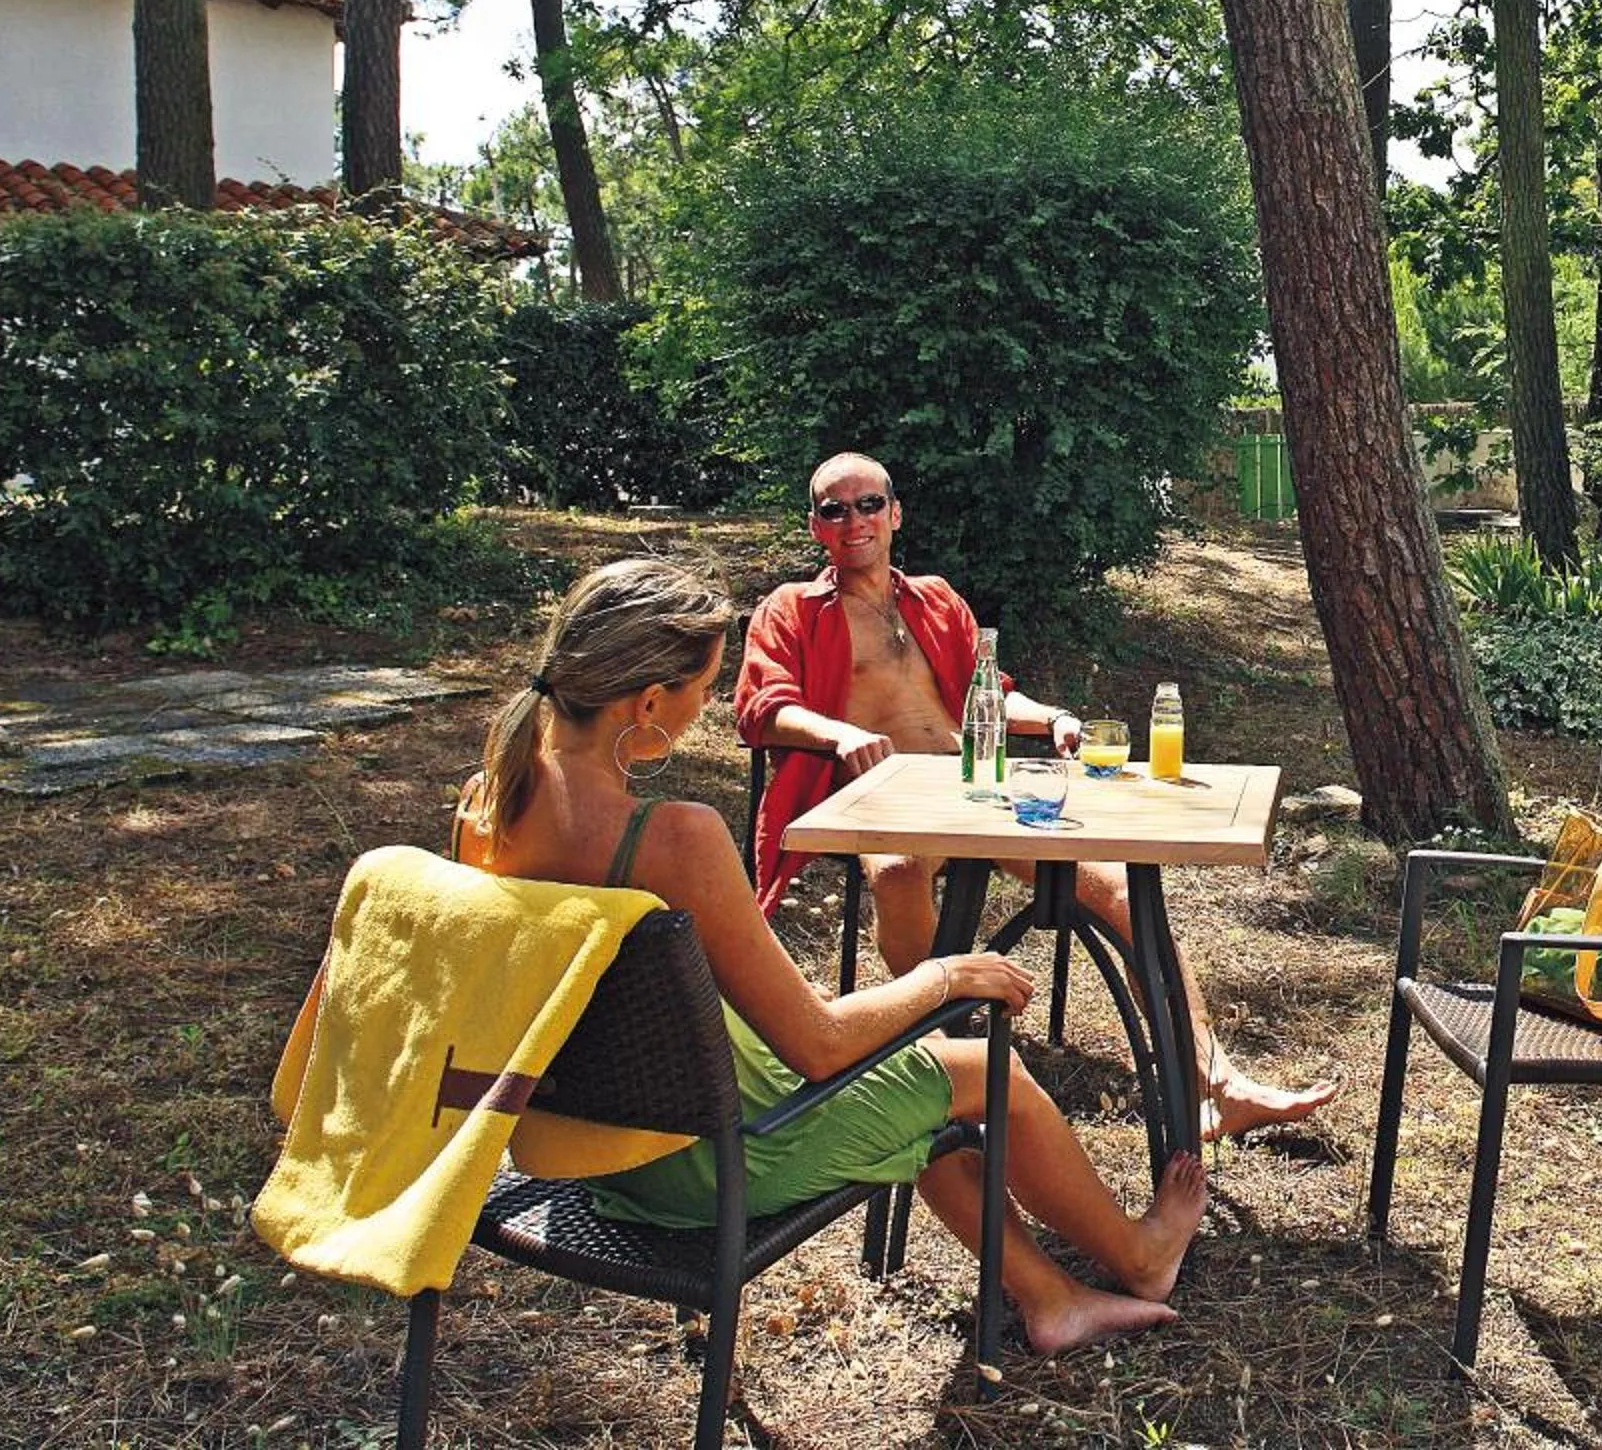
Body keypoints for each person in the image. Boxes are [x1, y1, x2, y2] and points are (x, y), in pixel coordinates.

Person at [453, 557, 1204, 1355]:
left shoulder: (485, 806)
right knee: (988, 1069)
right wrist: (944, 974)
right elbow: (817, 1048)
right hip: (713, 1156)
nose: (708, 707)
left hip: (593, 1151)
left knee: (914, 1091)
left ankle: (1050, 1297)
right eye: (703, 688)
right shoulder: (674, 838)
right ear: (644, 704)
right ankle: (1139, 1253)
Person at [737, 452, 1337, 1142]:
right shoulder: (792, 609)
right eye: (835, 509)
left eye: (869, 503)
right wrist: (838, 734)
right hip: (879, 801)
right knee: (899, 872)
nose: (855, 520)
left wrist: (1051, 717)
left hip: (976, 791)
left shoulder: (935, 599)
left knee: (1115, 886)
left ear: (895, 514)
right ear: (817, 526)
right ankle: (949, 1060)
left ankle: (1214, 1082)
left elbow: (987, 694)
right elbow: (763, 707)